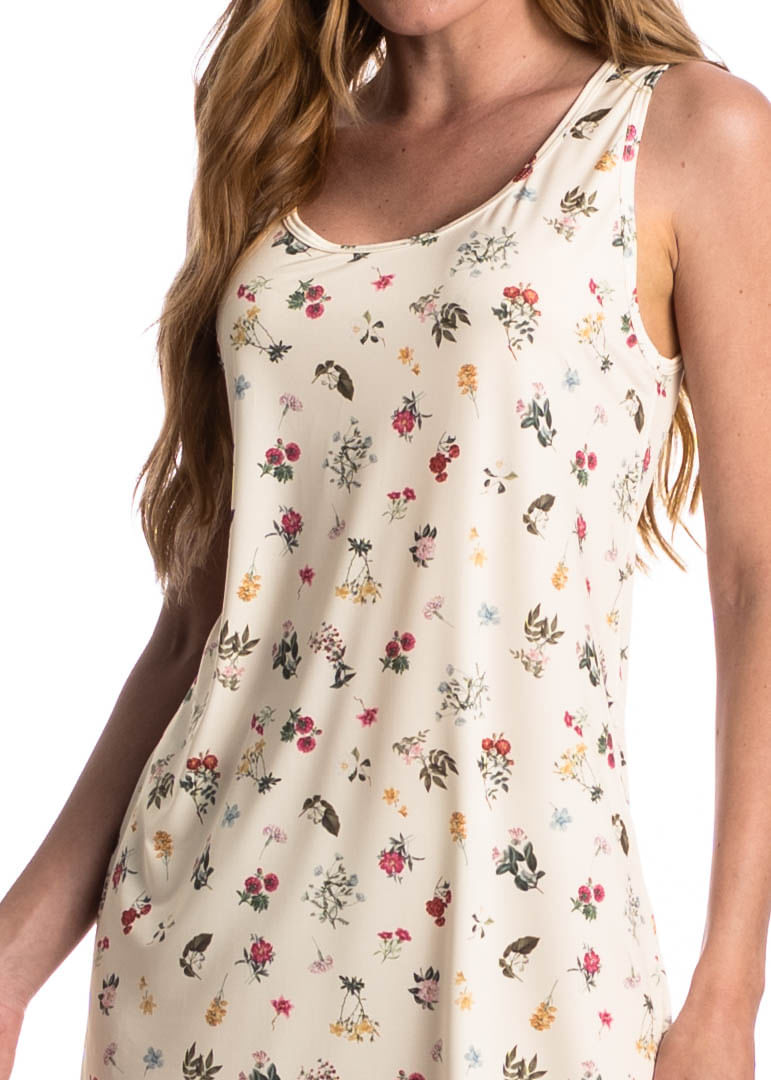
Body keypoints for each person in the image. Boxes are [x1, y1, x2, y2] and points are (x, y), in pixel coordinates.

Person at [1, 1, 769, 1078]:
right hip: (201, 967)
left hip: (519, 960)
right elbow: (199, 624)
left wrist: (727, 994)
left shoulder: (691, 133)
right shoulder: (278, 151)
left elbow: (753, 583)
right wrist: (10, 963)